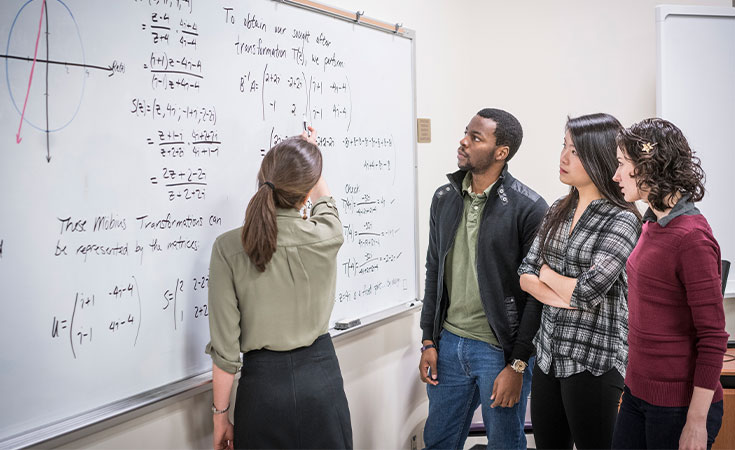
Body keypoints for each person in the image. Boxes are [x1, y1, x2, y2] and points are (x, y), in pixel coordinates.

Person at [205, 128, 352, 450]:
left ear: (262, 181)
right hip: (321, 382)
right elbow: (325, 201)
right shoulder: (327, 233)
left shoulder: (228, 248)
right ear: (305, 194)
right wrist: (311, 156)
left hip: (262, 392)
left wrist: (220, 417)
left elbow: (226, 352)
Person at [419, 108, 548, 450]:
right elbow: (435, 269)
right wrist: (429, 340)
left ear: (500, 152)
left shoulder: (529, 207)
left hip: (499, 352)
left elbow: (537, 295)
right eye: (466, 133)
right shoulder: (444, 198)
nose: (463, 141)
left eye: (476, 138)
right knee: (438, 442)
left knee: (505, 444)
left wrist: (518, 364)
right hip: (448, 345)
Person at [518, 113, 641, 449]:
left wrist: (546, 273)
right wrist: (556, 287)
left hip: (594, 358)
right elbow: (525, 273)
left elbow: (588, 291)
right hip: (548, 353)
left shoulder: (624, 219)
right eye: (564, 146)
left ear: (599, 156)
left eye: (574, 151)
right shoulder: (558, 207)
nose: (563, 157)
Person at [611, 118, 728, 450]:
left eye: (622, 164)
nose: (615, 175)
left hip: (677, 407)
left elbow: (712, 337)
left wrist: (696, 422)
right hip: (638, 392)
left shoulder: (692, 239)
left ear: (649, 166)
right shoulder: (653, 222)